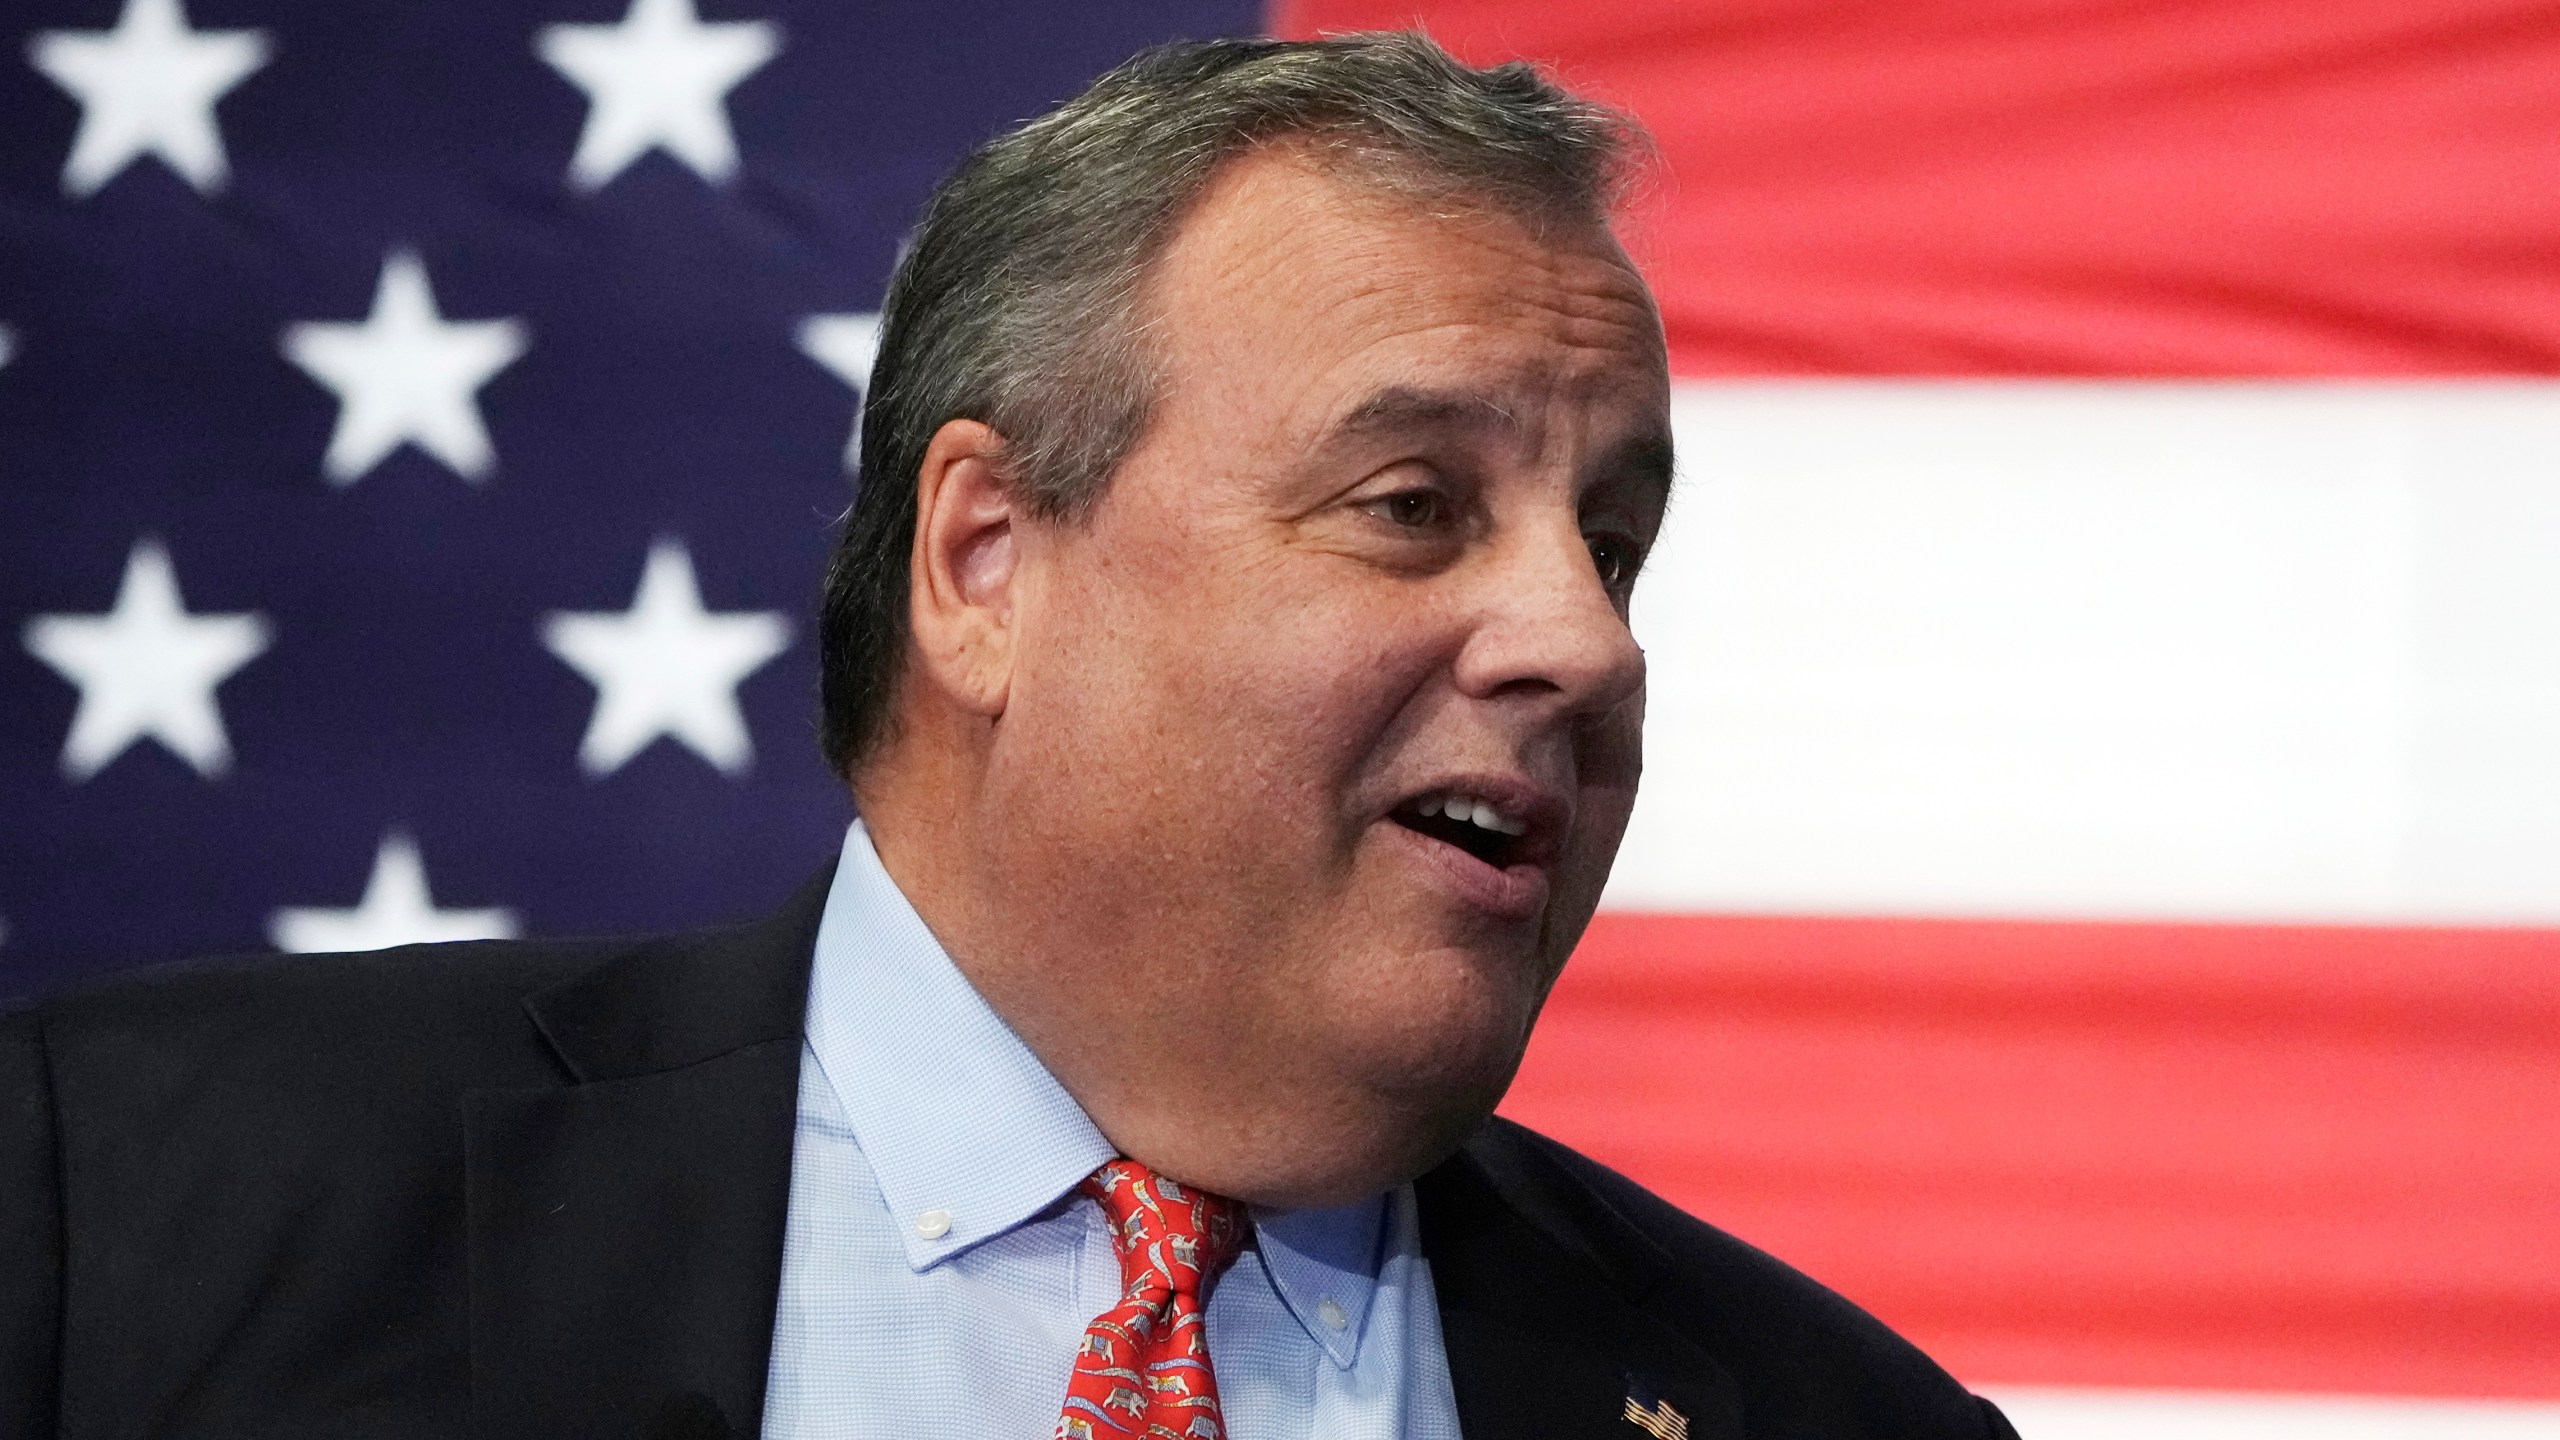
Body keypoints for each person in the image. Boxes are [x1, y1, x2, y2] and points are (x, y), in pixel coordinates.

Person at [0, 32, 2017, 1440]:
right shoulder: (115, 1208)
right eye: (1410, 505)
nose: (1581, 638)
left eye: (1613, 539)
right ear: (985, 560)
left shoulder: (1829, 1418)